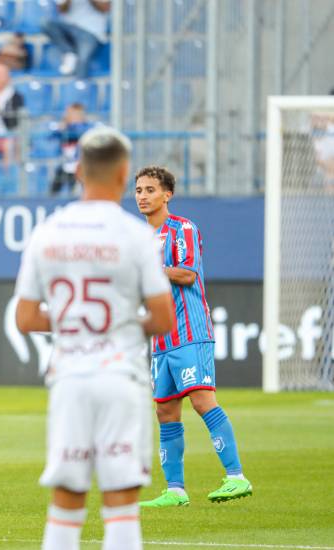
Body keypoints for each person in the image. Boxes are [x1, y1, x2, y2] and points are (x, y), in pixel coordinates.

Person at [14, 126, 175, 550]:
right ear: (124, 173)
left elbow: (26, 318)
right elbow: (163, 316)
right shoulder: (137, 235)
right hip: (120, 377)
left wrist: (72, 323)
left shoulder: (48, 232)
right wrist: (118, 323)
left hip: (69, 378)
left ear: (80, 171)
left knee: (65, 504)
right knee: (121, 503)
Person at [135, 165, 253, 507]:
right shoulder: (139, 239)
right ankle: (175, 490)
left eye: (150, 190)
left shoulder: (181, 228)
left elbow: (186, 274)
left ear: (166, 194)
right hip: (161, 339)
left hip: (189, 330)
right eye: (139, 190)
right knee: (165, 411)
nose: (143, 196)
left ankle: (236, 477)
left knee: (202, 400)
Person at [42, 0, 110, 78]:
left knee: (82, 60)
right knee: (46, 24)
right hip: (70, 28)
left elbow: (105, 8)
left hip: (91, 32)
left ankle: (79, 86)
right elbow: (62, 10)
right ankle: (69, 52)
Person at [51, 102, 95, 194]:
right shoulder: (63, 128)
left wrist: (69, 126)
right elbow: (50, 137)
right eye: (69, 114)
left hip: (81, 167)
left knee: (78, 191)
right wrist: (60, 128)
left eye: (73, 114)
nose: (70, 116)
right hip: (65, 166)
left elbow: (82, 130)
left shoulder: (87, 127)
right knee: (54, 190)